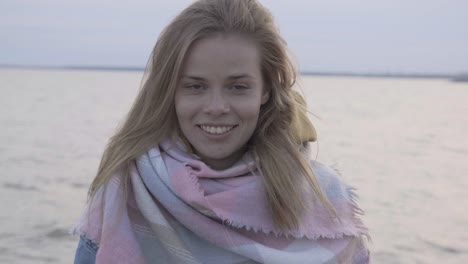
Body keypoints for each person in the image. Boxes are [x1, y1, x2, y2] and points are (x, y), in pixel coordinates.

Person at [72, 0, 370, 263]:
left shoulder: (322, 200)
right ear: (170, 91)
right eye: (195, 86)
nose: (216, 107)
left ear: (266, 89)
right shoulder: (127, 192)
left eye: (238, 87)